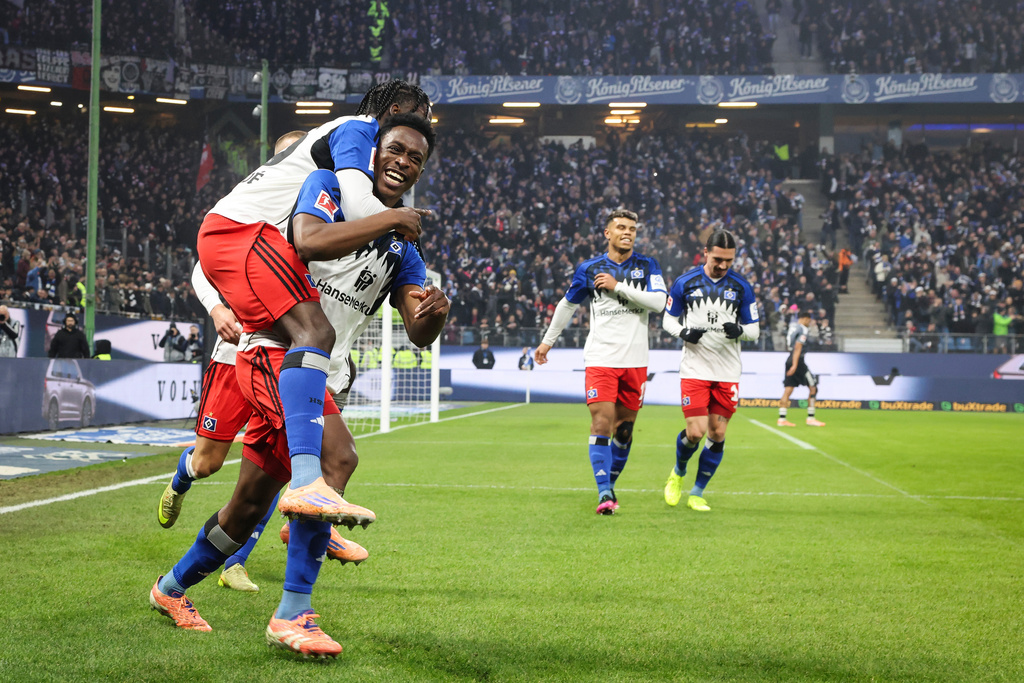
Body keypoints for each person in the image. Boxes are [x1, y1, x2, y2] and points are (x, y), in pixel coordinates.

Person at [151, 115, 447, 659]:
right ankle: (293, 613)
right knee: (339, 459)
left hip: (318, 375)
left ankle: (169, 588)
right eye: (395, 149)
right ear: (372, 152)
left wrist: (435, 313)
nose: (404, 162)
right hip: (274, 350)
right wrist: (390, 221)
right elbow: (307, 243)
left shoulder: (403, 249)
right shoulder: (327, 186)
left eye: (416, 159)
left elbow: (419, 331)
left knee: (245, 508)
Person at [195, 79, 431, 530]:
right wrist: (398, 217)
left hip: (255, 255)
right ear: (395, 110)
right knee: (315, 335)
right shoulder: (358, 132)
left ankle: (180, 584)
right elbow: (357, 211)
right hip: (241, 237)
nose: (423, 127)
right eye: (421, 115)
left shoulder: (353, 178)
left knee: (260, 496)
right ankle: (307, 486)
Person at [157, 132, 369, 594]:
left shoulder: (327, 205)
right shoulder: (257, 205)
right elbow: (205, 262)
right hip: (239, 354)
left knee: (278, 474)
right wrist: (217, 310)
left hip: (288, 360)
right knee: (211, 461)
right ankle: (185, 475)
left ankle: (214, 572)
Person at [535, 209, 667, 515]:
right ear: (607, 233)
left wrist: (617, 286)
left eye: (632, 228)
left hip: (635, 361)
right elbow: (567, 306)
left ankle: (609, 482)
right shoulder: (589, 268)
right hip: (601, 357)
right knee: (601, 423)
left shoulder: (648, 265)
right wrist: (547, 341)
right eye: (621, 227)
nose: (627, 232)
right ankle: (604, 492)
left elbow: (659, 302)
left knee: (624, 431)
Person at [662, 229, 760, 512]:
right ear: (705, 252)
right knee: (696, 432)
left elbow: (754, 329)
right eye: (718, 259)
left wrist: (739, 330)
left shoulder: (742, 287)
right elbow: (668, 321)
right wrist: (683, 332)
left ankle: (697, 492)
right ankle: (678, 472)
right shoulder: (685, 282)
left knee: (717, 433)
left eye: (729, 260)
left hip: (728, 371)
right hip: (695, 368)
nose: (724, 265)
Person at [777, 309, 826, 427]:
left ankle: (782, 419)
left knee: (788, 389)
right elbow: (798, 347)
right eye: (809, 320)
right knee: (813, 387)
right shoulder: (803, 329)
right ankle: (811, 417)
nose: (809, 323)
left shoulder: (793, 327)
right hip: (797, 360)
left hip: (789, 358)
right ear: (805, 319)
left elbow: (791, 345)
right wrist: (795, 364)